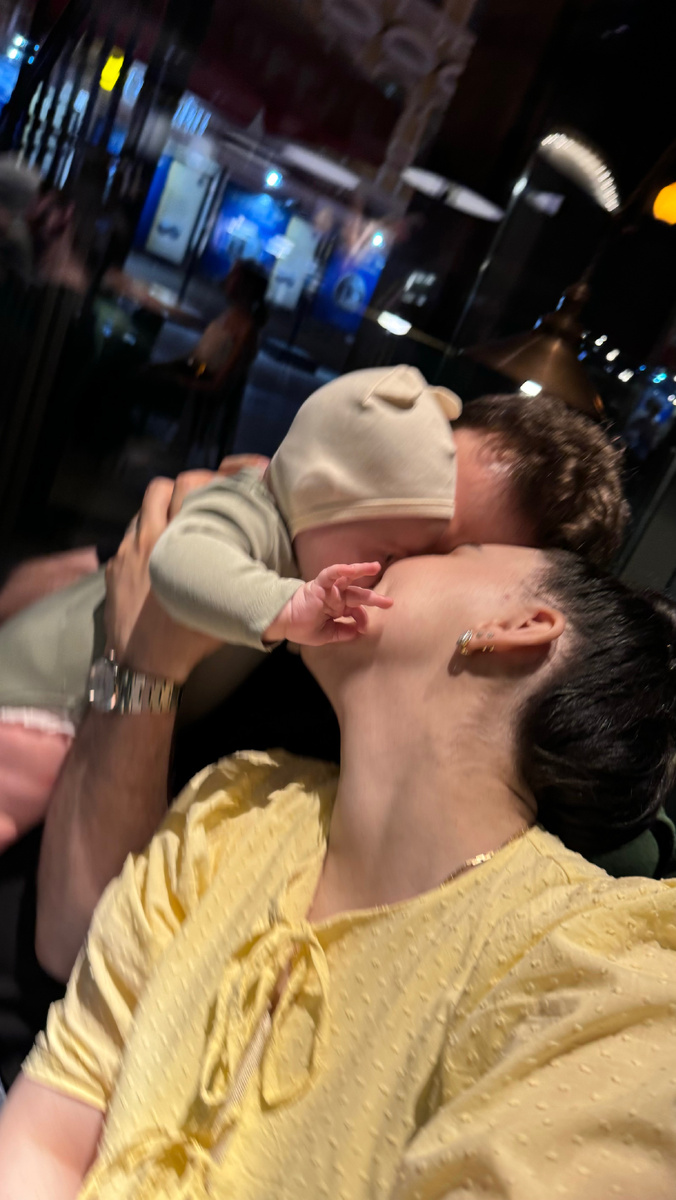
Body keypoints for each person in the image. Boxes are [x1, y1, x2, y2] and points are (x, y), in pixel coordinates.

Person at [2, 519, 676, 1196]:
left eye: (446, 551)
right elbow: (50, 1128)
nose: (370, 556)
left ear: (519, 627)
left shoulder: (605, 965)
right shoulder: (236, 808)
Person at [0, 380, 627, 853]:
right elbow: (34, 586)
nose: (374, 513)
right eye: (393, 483)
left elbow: (74, 931)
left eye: (433, 549)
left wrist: (141, 666)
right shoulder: (281, 521)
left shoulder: (337, 733)